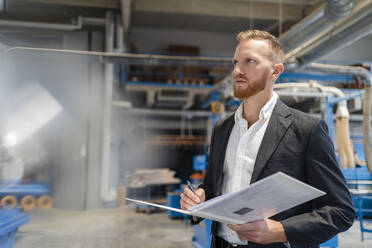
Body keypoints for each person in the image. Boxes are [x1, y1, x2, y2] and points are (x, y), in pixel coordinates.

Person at [180, 30, 355, 248]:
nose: (237, 70)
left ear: (276, 71)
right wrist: (198, 200)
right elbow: (214, 187)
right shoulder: (222, 129)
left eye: (249, 61)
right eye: (235, 62)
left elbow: (341, 211)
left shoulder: (307, 130)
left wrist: (281, 231)